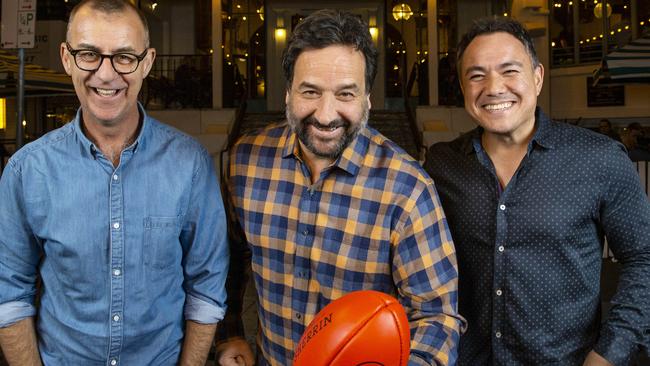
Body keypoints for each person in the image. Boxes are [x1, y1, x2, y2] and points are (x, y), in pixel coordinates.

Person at [216, 9, 463, 366]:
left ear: (367, 100)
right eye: (310, 91)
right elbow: (227, 261)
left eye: (345, 94)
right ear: (288, 94)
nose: (326, 114)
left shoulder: (407, 188)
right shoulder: (247, 161)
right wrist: (231, 333)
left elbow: (437, 317)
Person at [0, 1, 229, 365]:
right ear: (66, 57)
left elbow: (206, 287)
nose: (106, 75)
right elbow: (9, 294)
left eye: (124, 57)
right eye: (89, 54)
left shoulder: (191, 164)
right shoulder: (27, 170)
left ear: (148, 61)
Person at [424, 17, 650, 365]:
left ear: (538, 77)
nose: (494, 87)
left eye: (509, 70)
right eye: (476, 75)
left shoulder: (600, 159)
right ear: (463, 87)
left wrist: (608, 353)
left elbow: (644, 259)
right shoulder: (443, 165)